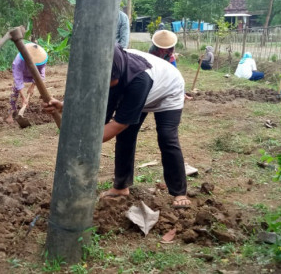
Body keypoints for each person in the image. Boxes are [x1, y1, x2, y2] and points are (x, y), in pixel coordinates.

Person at [43, 45, 191, 208]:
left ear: (118, 74)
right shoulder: (103, 65)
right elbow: (92, 96)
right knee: (126, 136)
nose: (106, 85)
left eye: (109, 83)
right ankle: (121, 186)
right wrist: (65, 105)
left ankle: (179, 192)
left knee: (166, 137)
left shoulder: (140, 80)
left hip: (167, 90)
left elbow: (118, 125)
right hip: (133, 89)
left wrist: (84, 141)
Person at [6, 43, 48, 124]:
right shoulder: (18, 62)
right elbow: (18, 80)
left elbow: (41, 75)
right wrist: (23, 97)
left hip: (34, 75)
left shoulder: (41, 61)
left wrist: (32, 86)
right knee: (14, 91)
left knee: (43, 90)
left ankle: (47, 109)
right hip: (22, 73)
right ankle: (10, 114)